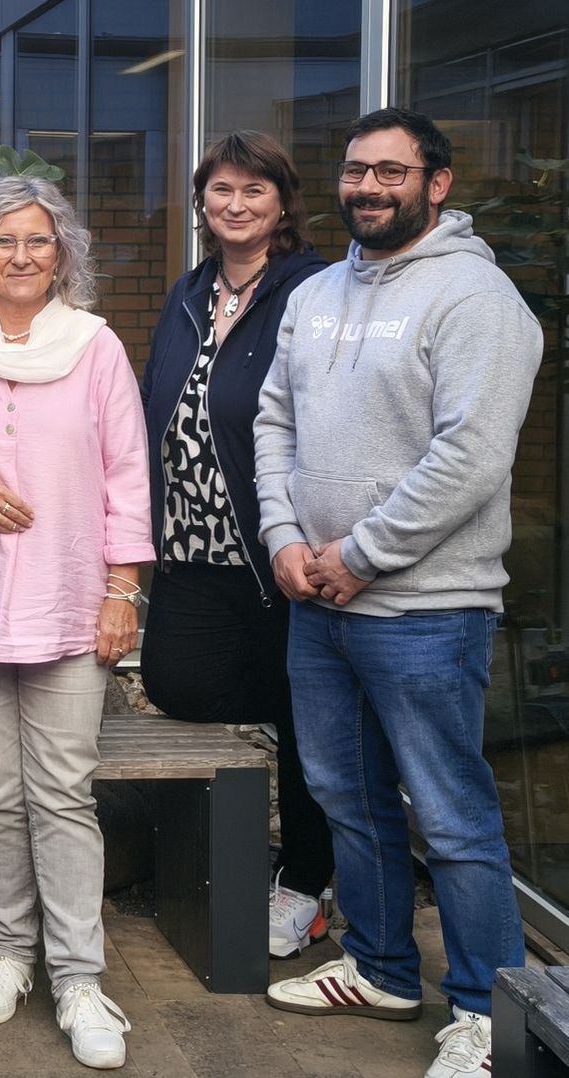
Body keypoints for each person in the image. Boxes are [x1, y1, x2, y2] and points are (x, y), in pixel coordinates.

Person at [257, 107, 542, 1078]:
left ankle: (484, 1010)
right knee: (347, 794)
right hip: (316, 600)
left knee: (451, 814)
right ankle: (379, 967)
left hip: (425, 609)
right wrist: (285, 538)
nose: (367, 188)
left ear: (437, 183)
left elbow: (468, 455)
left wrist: (361, 553)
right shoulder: (318, 292)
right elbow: (271, 420)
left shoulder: (476, 298)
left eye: (390, 172)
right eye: (354, 171)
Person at [0, 174, 152, 1070]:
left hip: (69, 597)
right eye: (4, 240)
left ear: (64, 255)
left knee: (62, 792)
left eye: (40, 241)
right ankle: (10, 952)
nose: (21, 256)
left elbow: (127, 475)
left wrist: (122, 593)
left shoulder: (94, 347)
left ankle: (78, 977)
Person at [138, 131, 333, 960]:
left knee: (307, 723)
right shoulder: (188, 293)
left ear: (281, 203)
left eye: (256, 190)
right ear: (203, 203)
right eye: (222, 189)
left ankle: (308, 881)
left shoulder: (314, 291)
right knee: (172, 682)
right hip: (192, 549)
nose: (237, 204)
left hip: (277, 553)